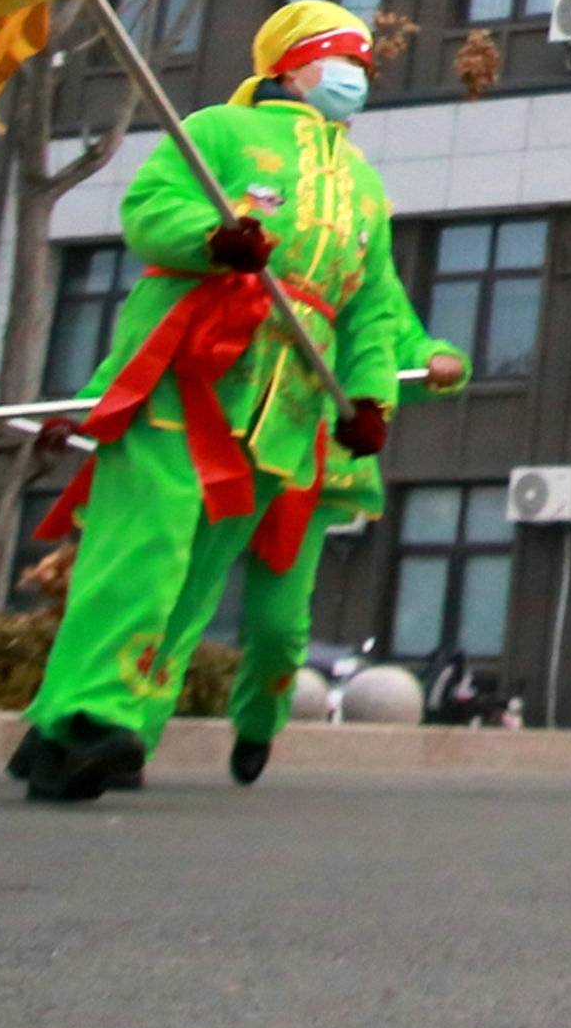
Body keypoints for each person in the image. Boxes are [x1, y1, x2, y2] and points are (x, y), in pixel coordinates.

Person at [6, 0, 419, 802]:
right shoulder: (221, 133)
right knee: (140, 552)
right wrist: (213, 239)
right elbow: (151, 207)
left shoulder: (366, 188)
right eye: (342, 58)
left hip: (286, 410)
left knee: (195, 580)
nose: (355, 78)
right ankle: (92, 715)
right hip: (186, 375)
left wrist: (368, 399)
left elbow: (371, 305)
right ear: (290, 63)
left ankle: (105, 724)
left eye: (365, 67)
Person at [192, 327, 472, 785]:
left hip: (305, 478)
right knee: (175, 601)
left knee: (279, 627)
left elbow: (393, 336)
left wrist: (439, 360)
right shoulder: (250, 269)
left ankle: (258, 722)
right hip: (223, 452)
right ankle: (117, 726)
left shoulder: (361, 276)